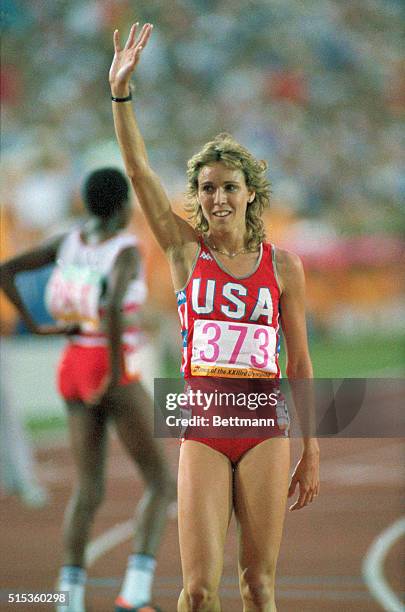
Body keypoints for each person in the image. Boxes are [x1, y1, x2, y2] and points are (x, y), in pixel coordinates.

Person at [109, 23, 320, 612]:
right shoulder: (183, 251)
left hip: (264, 429)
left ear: (251, 193)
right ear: (196, 195)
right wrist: (121, 96)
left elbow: (298, 361)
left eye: (229, 186)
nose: (217, 198)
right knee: (198, 592)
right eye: (206, 188)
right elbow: (140, 175)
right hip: (203, 428)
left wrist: (313, 449)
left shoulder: (284, 268)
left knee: (258, 586)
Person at [0, 167, 175, 612]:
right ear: (121, 206)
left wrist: (37, 324)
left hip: (73, 361)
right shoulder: (126, 248)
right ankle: (135, 594)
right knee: (160, 482)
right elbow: (115, 305)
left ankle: (69, 598)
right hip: (107, 363)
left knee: (88, 490)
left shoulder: (68, 241)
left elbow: (6, 271)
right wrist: (116, 373)